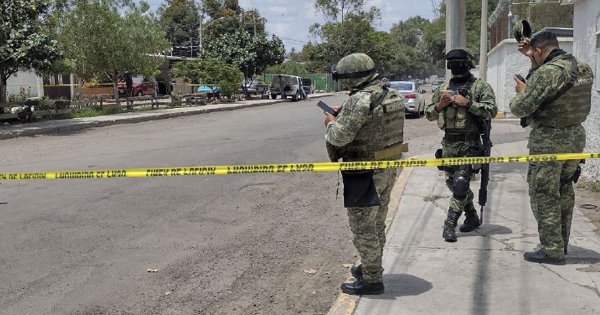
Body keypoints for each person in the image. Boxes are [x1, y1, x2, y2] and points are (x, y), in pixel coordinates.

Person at [323, 53, 406, 295]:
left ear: (353, 77)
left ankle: (372, 280)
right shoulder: (391, 94)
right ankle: (371, 266)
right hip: (388, 167)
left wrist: (330, 122)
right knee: (378, 222)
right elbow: (374, 125)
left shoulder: (360, 99)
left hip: (364, 171)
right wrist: (346, 112)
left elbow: (339, 137)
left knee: (363, 227)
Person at [509, 31, 593, 265]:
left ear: (538, 50)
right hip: (575, 137)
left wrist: (522, 92)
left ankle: (552, 250)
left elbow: (520, 108)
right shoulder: (582, 67)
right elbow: (556, 93)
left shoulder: (547, 73)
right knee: (565, 189)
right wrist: (532, 60)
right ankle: (561, 243)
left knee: (544, 193)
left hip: (549, 140)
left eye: (532, 53)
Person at [425, 48, 497, 242]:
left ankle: (449, 225)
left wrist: (468, 103)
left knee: (461, 183)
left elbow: (491, 110)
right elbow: (429, 113)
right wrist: (440, 104)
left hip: (470, 143)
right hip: (449, 143)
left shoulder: (479, 86)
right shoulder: (444, 88)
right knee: (453, 183)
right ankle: (472, 216)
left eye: (459, 63)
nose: (455, 67)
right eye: (452, 64)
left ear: (467, 64)